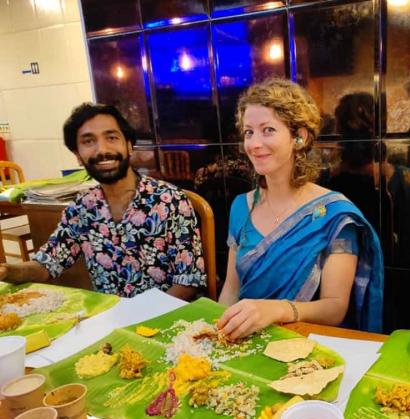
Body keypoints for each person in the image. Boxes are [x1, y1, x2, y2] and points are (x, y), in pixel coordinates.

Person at [217, 79, 384, 340]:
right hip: (244, 343)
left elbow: (335, 308)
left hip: (303, 347)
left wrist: (276, 310)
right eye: (249, 132)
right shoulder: (242, 206)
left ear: (299, 137)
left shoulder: (334, 215)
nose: (254, 143)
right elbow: (230, 290)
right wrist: (218, 336)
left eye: (268, 130)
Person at [0, 103, 206, 300]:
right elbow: (46, 265)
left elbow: (189, 281)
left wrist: (144, 317)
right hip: (110, 318)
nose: (102, 150)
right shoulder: (81, 209)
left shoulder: (169, 200)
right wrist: (6, 270)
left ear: (129, 146)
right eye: (88, 141)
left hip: (168, 317)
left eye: (111, 138)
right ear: (77, 155)